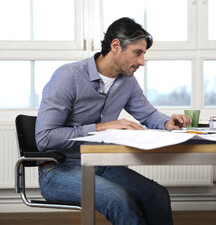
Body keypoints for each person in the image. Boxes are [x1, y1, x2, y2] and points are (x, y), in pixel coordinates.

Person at [35, 17, 192, 225]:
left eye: (144, 54)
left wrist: (167, 122)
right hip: (58, 170)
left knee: (157, 195)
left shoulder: (127, 82)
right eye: (138, 53)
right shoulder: (68, 77)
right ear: (116, 46)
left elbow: (147, 114)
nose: (142, 62)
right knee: (120, 201)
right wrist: (100, 128)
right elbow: (44, 138)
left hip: (102, 165)